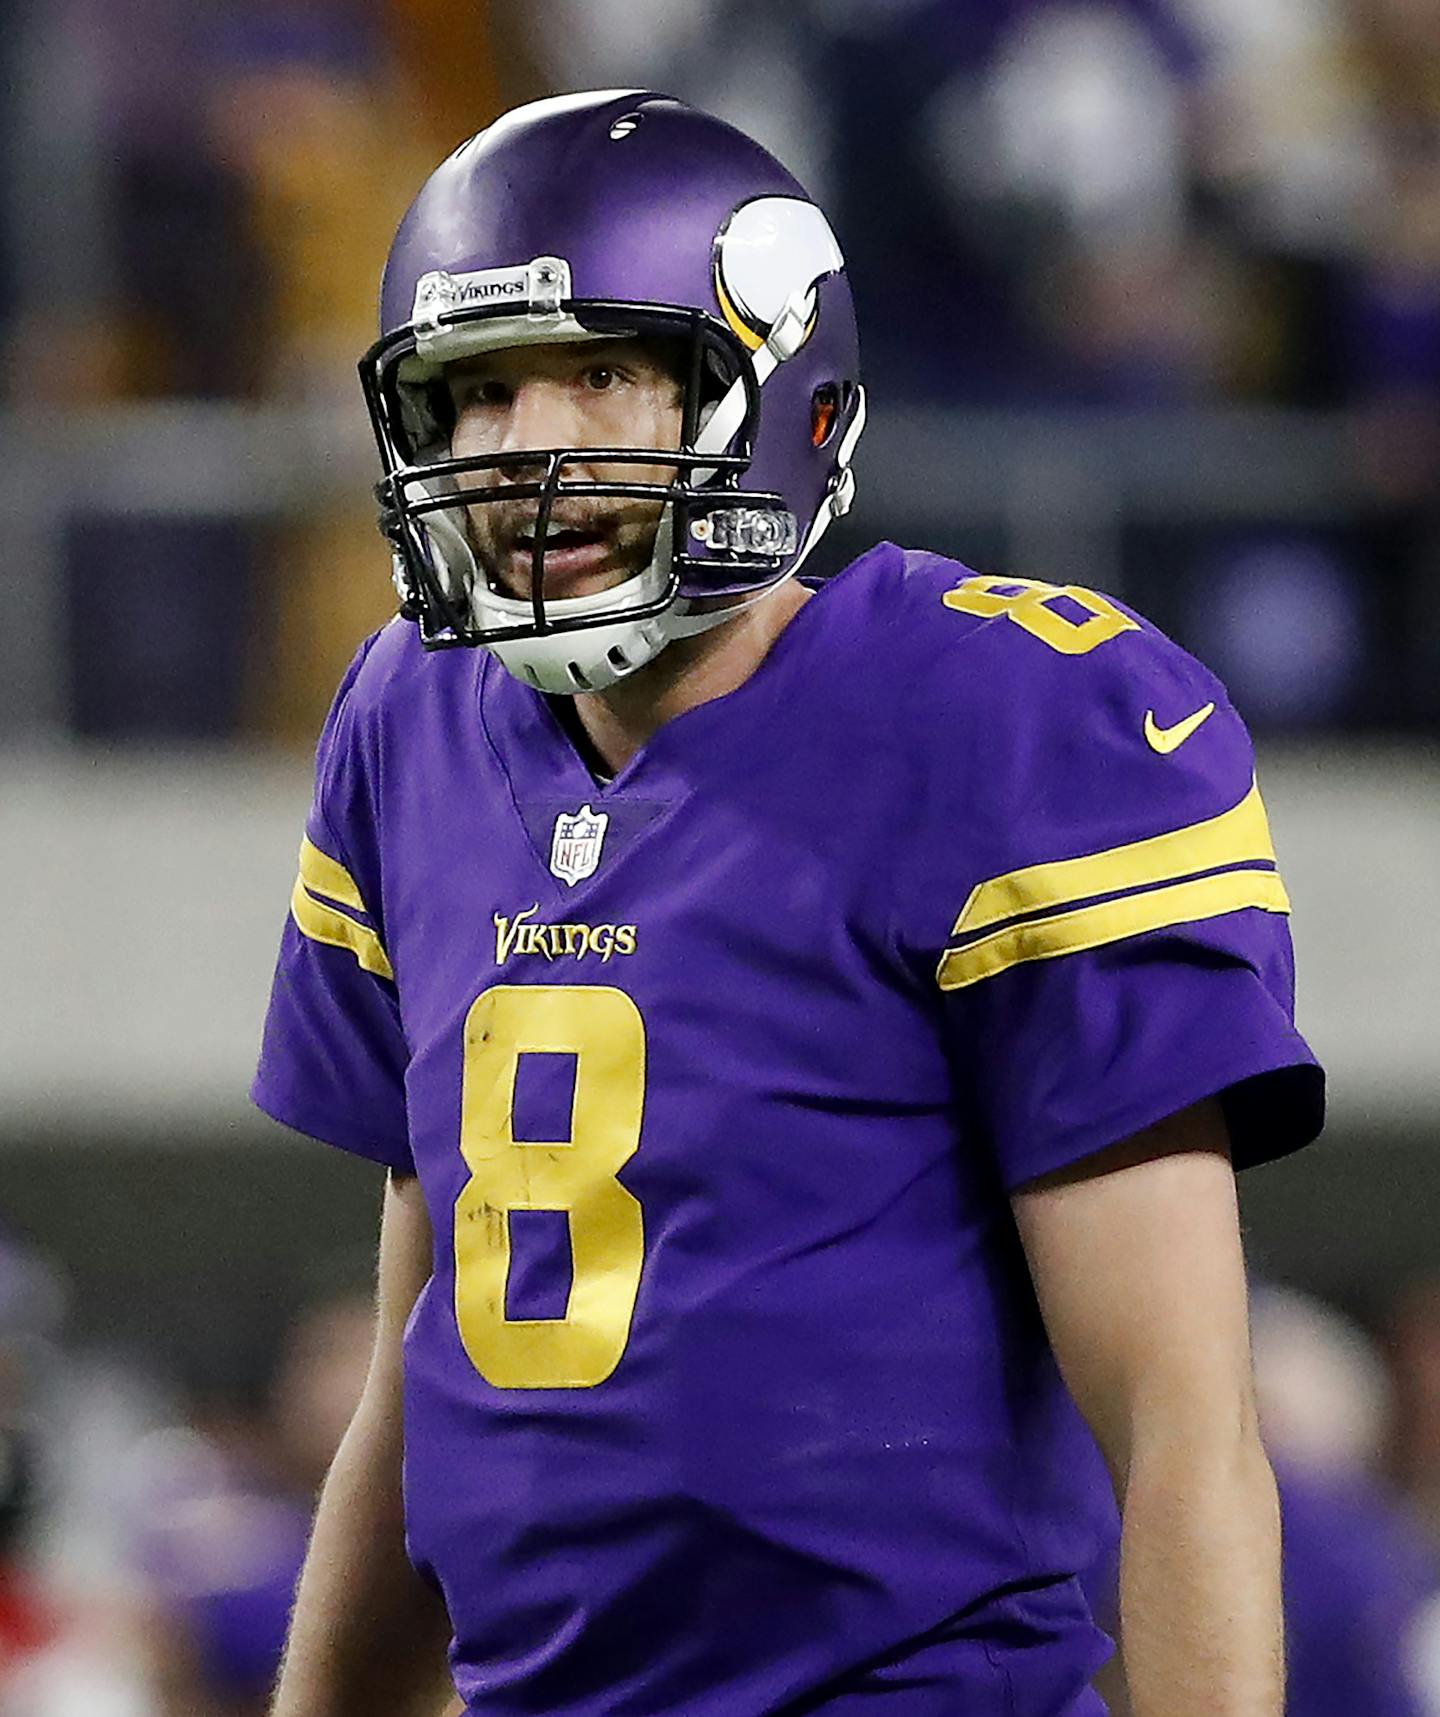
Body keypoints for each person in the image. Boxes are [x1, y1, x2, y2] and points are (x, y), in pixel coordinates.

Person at [252, 90, 1325, 1716]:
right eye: (475, 392)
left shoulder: (1002, 717)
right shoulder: (407, 721)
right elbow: (424, 1380)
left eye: (604, 370)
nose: (528, 443)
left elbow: (1183, 1424)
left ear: (776, 390)